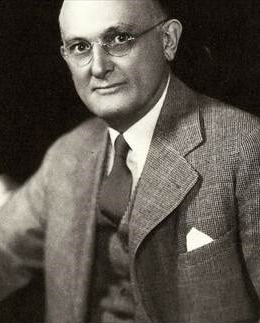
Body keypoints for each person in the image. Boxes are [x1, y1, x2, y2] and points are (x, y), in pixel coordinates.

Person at [0, 0, 260, 322]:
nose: (98, 66)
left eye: (119, 39)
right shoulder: (68, 155)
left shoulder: (243, 145)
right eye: (80, 46)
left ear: (168, 40)